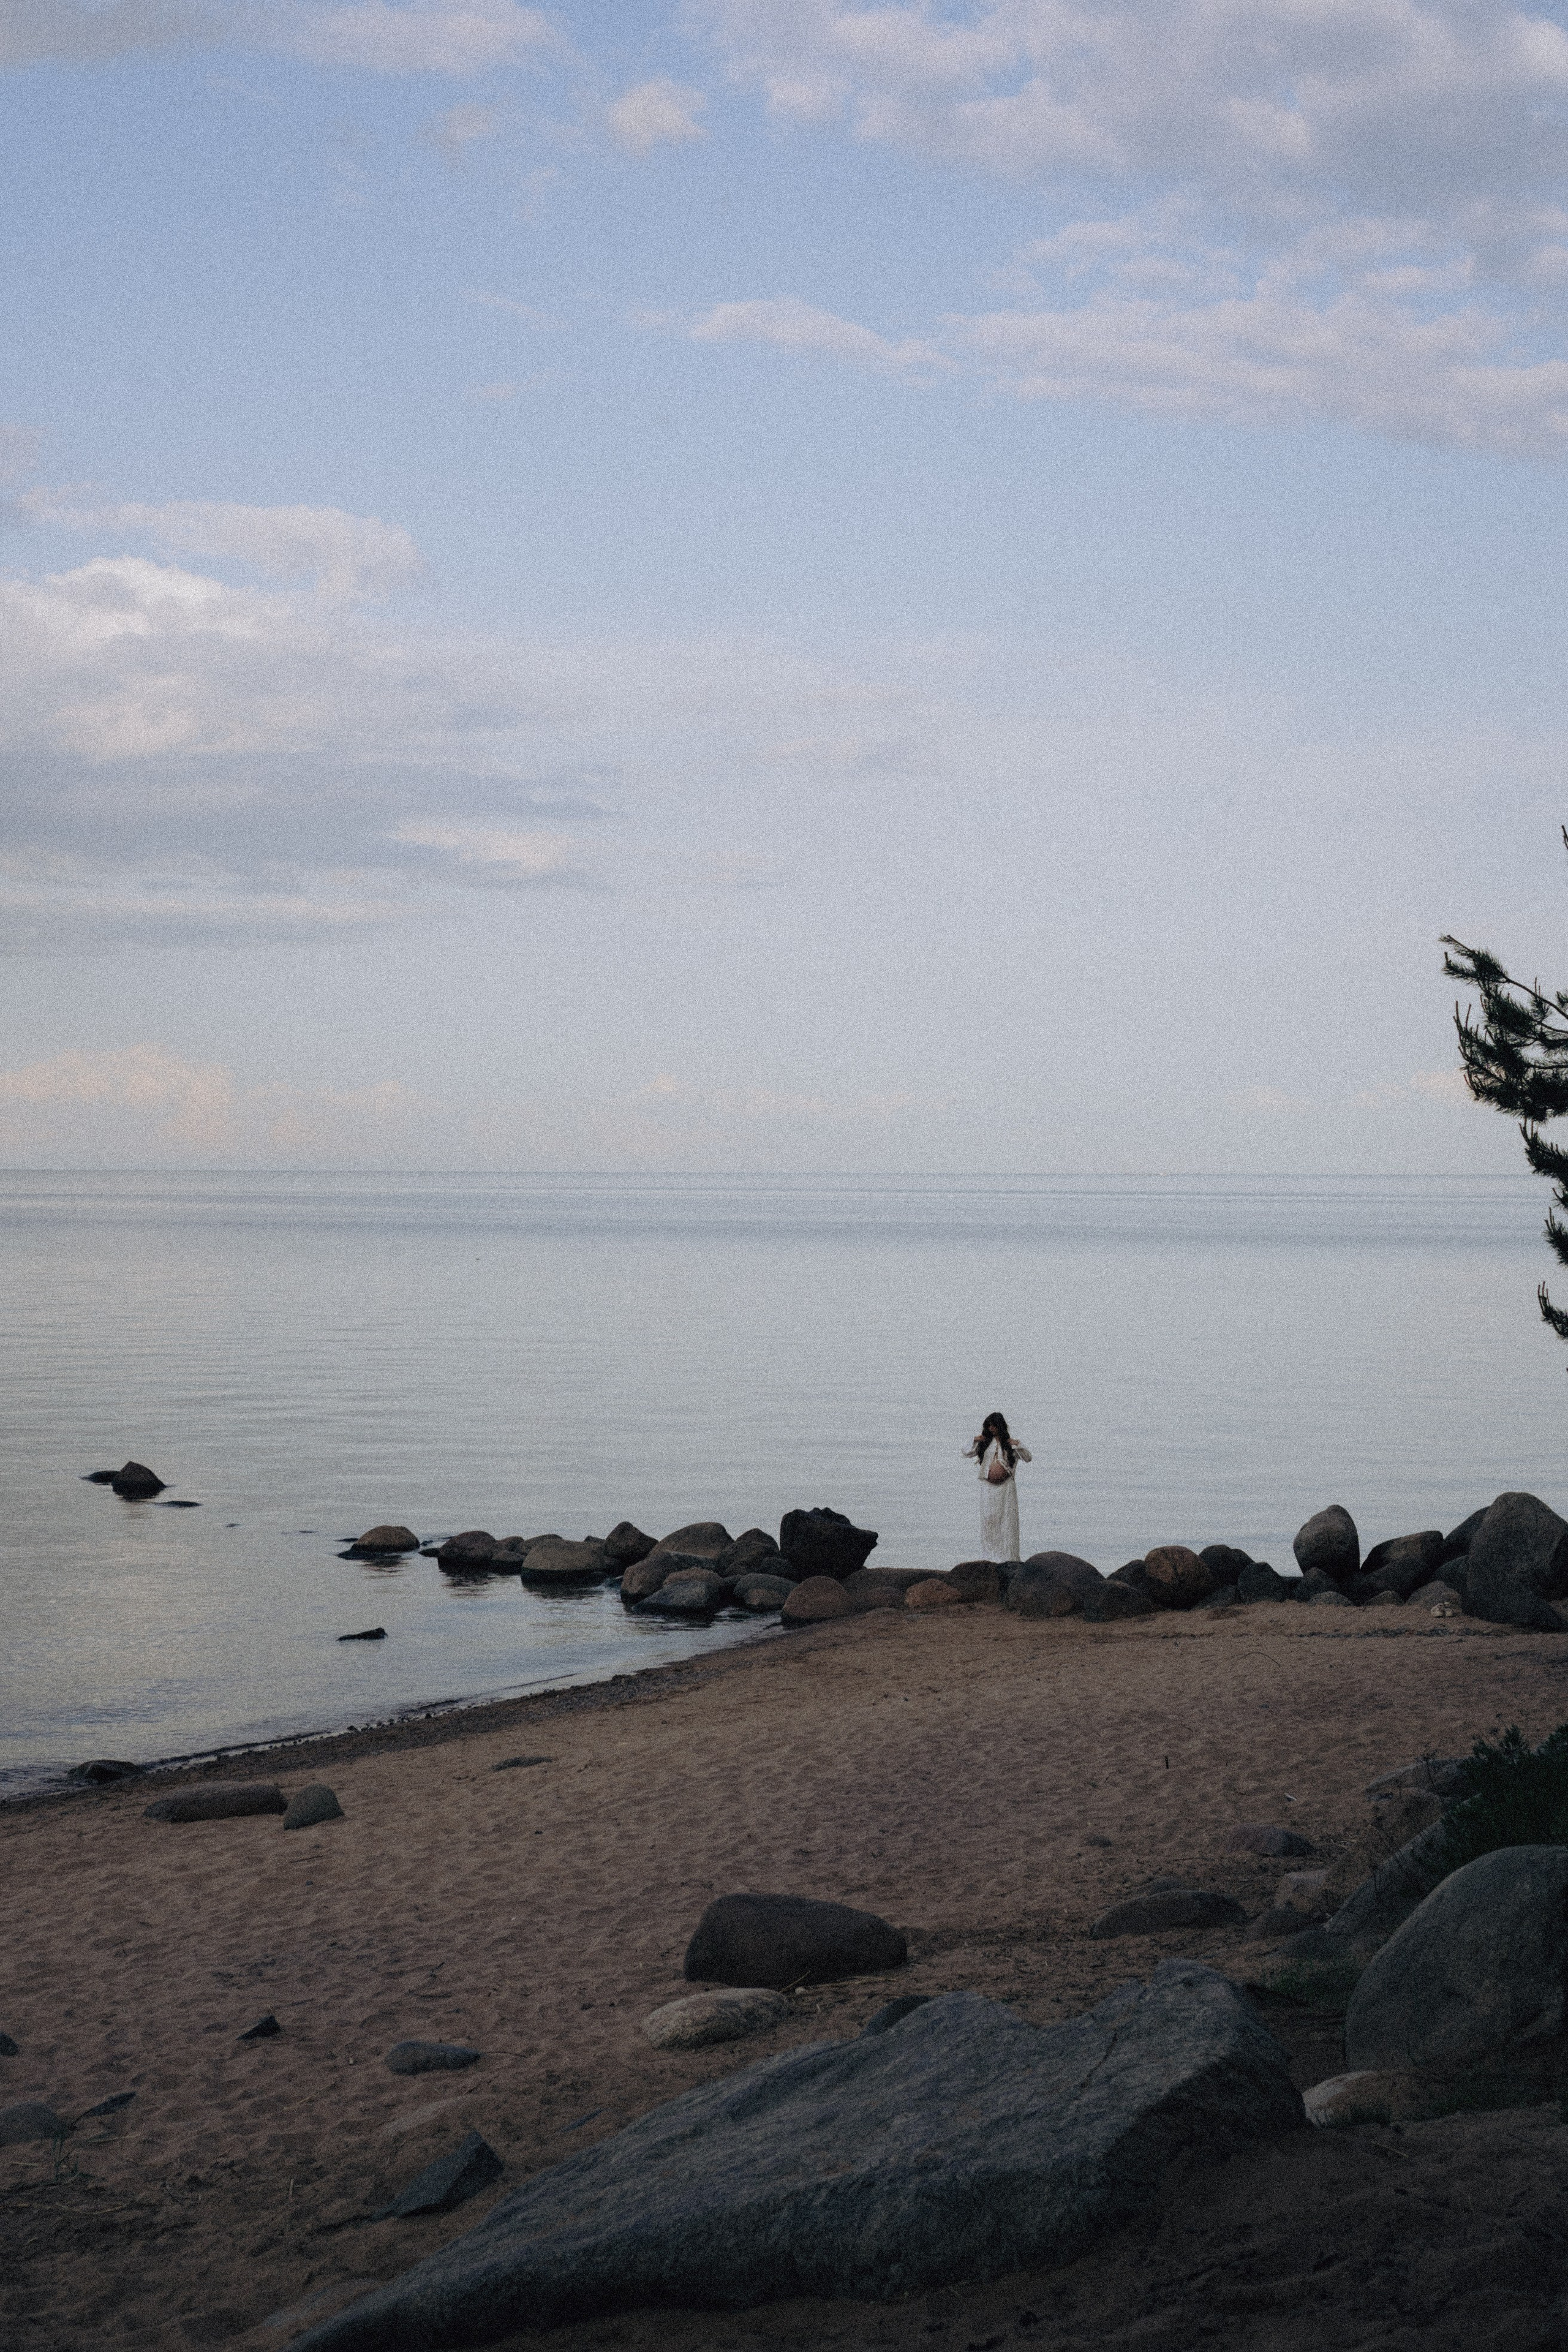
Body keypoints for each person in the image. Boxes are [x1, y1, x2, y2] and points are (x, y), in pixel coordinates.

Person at [964, 1411, 1031, 1564]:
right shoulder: (985, 1443)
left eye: (994, 1426)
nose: (991, 1429)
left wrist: (1018, 1444)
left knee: (1007, 1521)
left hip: (1006, 1487)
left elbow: (1028, 1457)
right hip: (988, 1487)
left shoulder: (1009, 1444)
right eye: (989, 1426)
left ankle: (1008, 1557)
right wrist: (974, 1439)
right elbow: (966, 1452)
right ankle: (990, 1557)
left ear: (999, 1426)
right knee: (989, 1519)